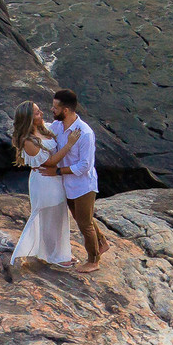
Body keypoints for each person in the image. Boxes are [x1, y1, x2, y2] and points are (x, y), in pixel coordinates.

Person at [39, 88, 109, 273]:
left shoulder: (84, 133)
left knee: (85, 224)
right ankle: (102, 242)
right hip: (67, 184)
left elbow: (85, 165)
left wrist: (58, 171)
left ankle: (94, 260)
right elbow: (43, 128)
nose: (52, 110)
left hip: (84, 185)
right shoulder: (57, 126)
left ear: (66, 110)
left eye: (55, 107)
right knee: (81, 218)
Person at [9, 100, 81, 272]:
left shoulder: (46, 128)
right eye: (36, 112)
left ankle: (59, 253)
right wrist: (69, 144)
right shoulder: (28, 141)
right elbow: (49, 162)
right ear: (27, 118)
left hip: (55, 178)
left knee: (59, 214)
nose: (41, 113)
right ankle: (53, 255)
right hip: (43, 180)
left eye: (39, 110)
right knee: (48, 215)